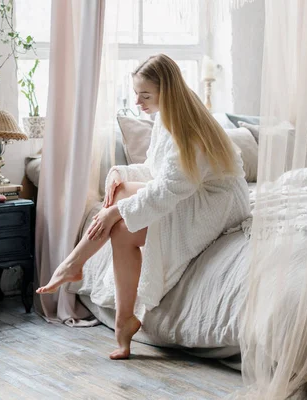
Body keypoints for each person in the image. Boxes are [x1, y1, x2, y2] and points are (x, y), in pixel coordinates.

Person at [36, 54, 251, 360]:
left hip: (217, 203)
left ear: (168, 92)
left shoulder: (188, 130)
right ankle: (108, 302)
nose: (138, 102)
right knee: (121, 206)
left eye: (145, 95)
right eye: (136, 93)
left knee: (121, 221)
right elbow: (157, 171)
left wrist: (115, 211)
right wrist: (119, 174)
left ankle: (80, 272)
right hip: (187, 189)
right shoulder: (165, 118)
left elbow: (170, 189)